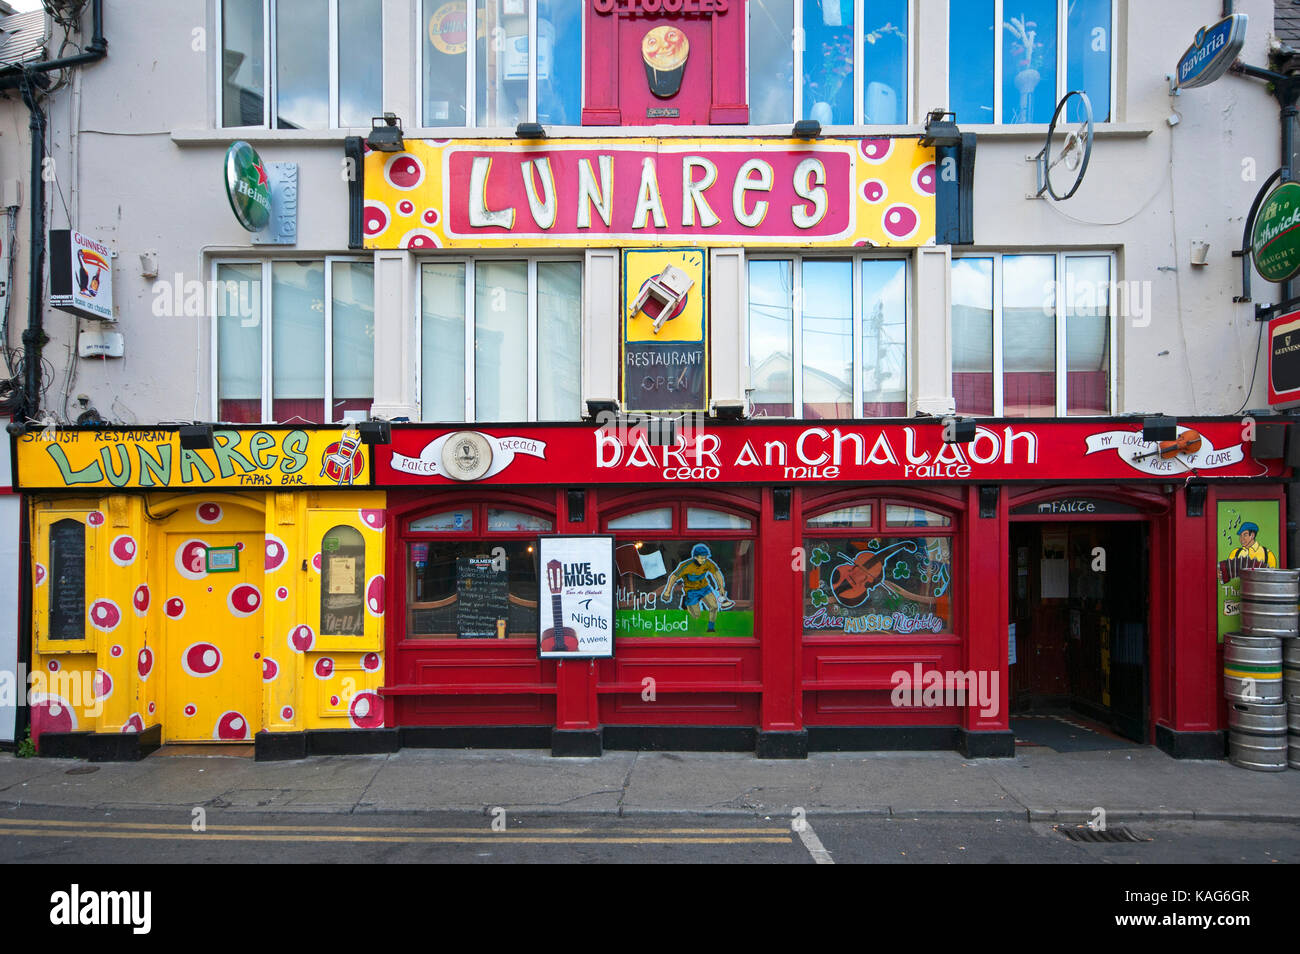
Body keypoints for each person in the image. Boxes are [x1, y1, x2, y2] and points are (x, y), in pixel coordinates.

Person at [661, 543, 732, 633]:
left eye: (705, 557)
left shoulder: (707, 563)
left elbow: (716, 573)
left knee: (714, 606)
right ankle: (686, 602)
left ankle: (711, 628)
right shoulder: (686, 566)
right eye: (702, 558)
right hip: (691, 591)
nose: (704, 560)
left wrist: (721, 587)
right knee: (696, 615)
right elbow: (673, 577)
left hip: (704, 588)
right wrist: (667, 591)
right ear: (695, 557)